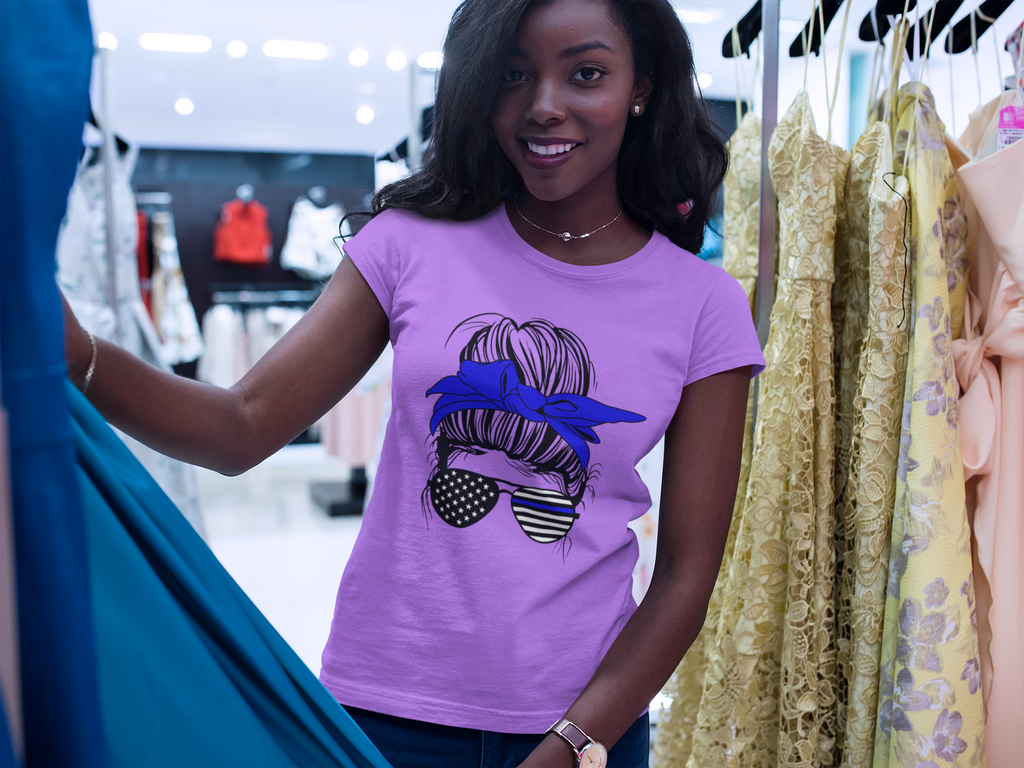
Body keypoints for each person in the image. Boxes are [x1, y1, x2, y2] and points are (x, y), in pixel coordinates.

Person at [62, 0, 765, 765]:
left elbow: (689, 573)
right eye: (512, 76)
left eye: (586, 73)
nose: (543, 108)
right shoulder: (408, 244)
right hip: (389, 717)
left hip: (584, 724)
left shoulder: (704, 306)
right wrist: (78, 357)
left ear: (642, 86)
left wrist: (572, 743)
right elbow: (241, 425)